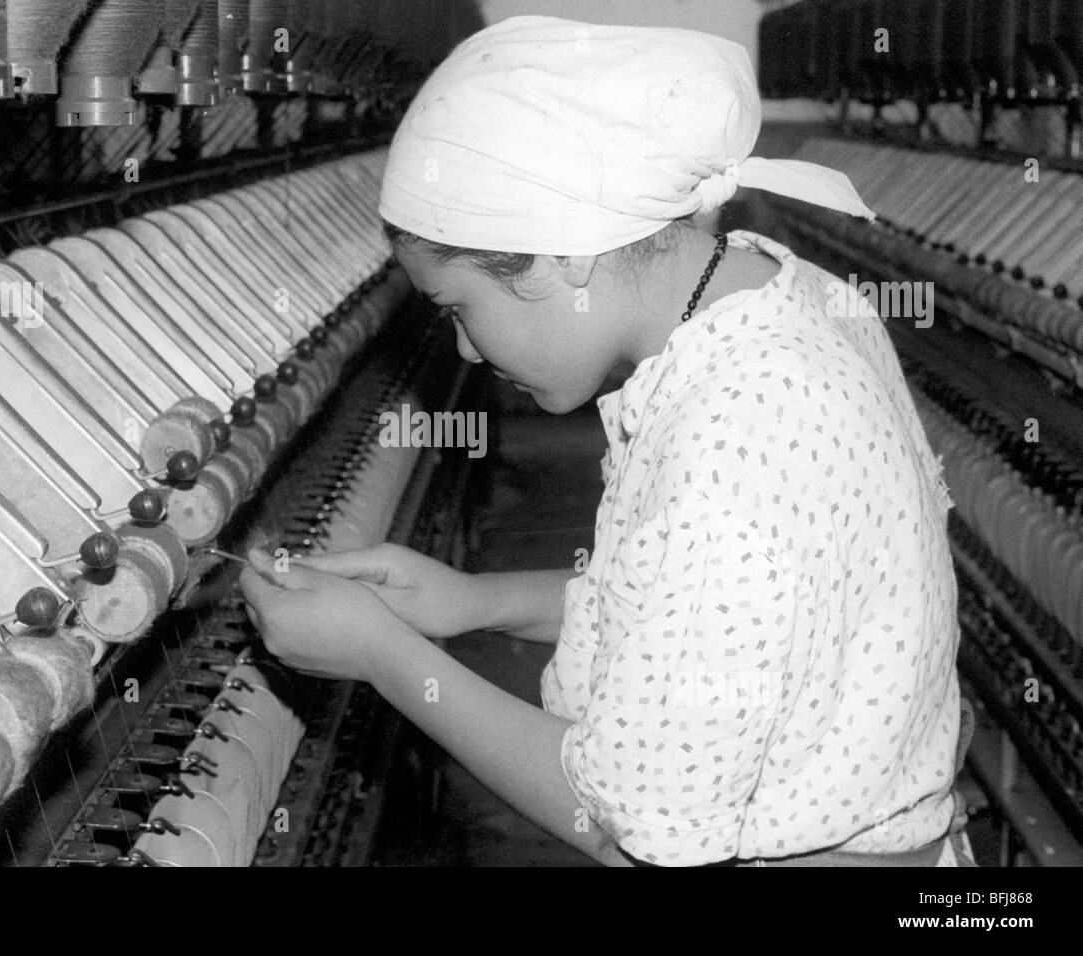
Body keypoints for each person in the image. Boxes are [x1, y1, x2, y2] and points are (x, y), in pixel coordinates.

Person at [240, 16, 975, 867]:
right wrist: (474, 602)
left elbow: (633, 834)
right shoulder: (784, 298)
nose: (466, 351)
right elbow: (695, 607)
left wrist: (384, 656)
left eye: (457, 309)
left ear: (563, 257)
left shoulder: (734, 436)